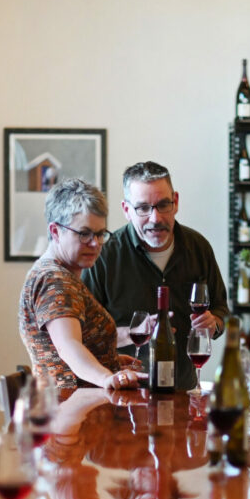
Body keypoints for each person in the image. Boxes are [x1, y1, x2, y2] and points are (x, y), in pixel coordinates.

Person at [83, 161, 229, 391]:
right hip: (124, 394)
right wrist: (132, 334)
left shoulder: (198, 247)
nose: (155, 218)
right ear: (126, 210)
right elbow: (83, 334)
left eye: (163, 205)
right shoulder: (104, 255)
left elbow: (221, 309)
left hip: (183, 391)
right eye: (143, 208)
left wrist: (214, 324)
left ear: (176, 202)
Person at [20, 178, 144, 389]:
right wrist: (106, 378)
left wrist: (109, 360)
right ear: (55, 231)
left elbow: (57, 350)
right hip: (69, 405)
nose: (95, 243)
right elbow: (67, 346)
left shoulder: (58, 274)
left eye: (100, 234)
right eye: (84, 234)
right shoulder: (54, 280)